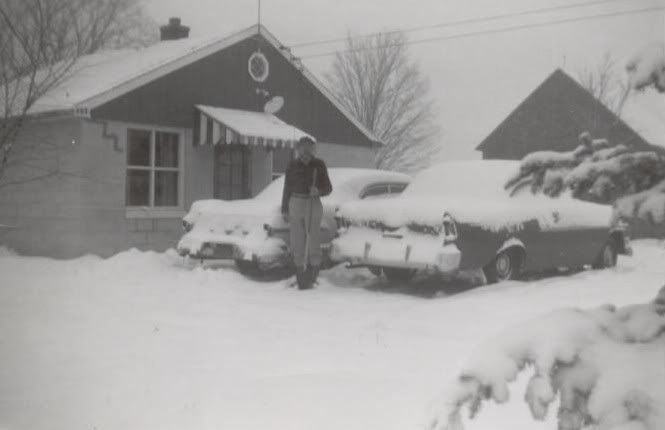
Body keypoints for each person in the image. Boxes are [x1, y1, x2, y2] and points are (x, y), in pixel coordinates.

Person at [281, 136, 333, 290]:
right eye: (302, 147)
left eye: (309, 147)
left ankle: (313, 272)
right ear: (298, 149)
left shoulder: (319, 165)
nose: (305, 150)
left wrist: (318, 190)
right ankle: (300, 273)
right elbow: (287, 188)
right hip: (296, 202)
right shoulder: (292, 165)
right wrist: (285, 209)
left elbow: (328, 188)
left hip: (313, 202)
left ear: (313, 149)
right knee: (297, 239)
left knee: (313, 238)